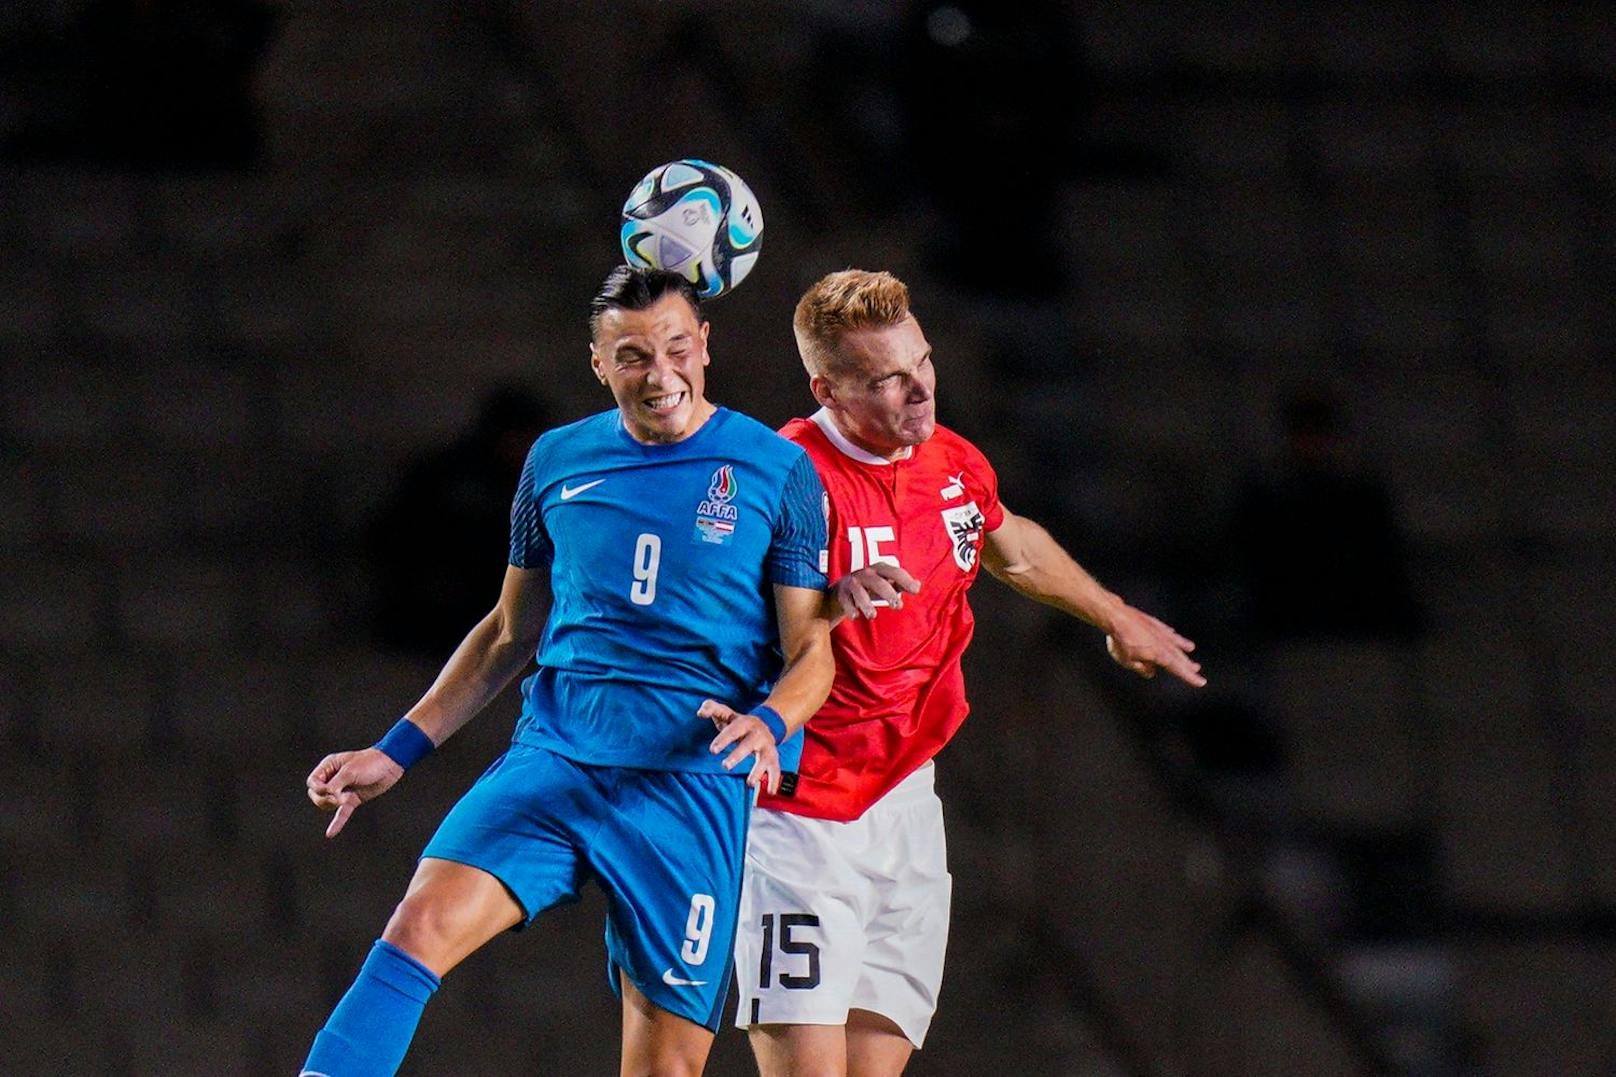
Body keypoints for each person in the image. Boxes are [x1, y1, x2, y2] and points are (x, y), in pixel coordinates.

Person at [300, 267, 834, 1077]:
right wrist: (395, 750)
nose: (659, 375)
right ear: (597, 363)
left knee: (662, 1067)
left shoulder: (777, 470)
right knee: (415, 930)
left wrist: (770, 719)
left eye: (676, 348)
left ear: (705, 346)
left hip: (685, 787)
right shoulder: (556, 461)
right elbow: (512, 631)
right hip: (557, 759)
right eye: (631, 356)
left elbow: (811, 651)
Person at [734, 270, 1205, 1076]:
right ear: (828, 388)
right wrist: (823, 600)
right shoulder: (780, 480)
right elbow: (718, 623)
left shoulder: (952, 461)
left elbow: (1012, 546)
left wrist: (1115, 613)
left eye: (922, 362)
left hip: (906, 806)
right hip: (798, 819)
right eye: (886, 378)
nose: (919, 390)